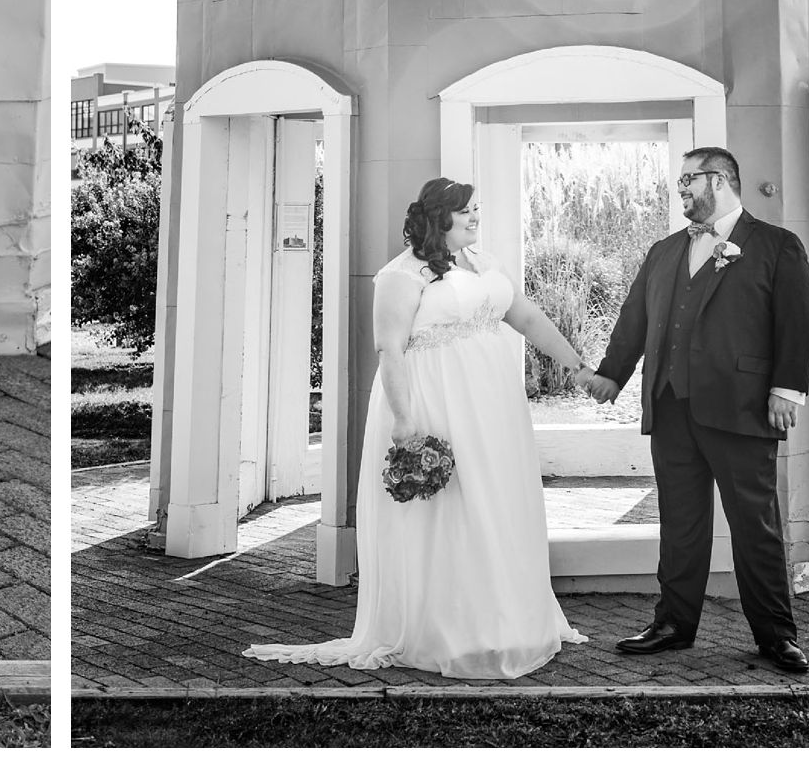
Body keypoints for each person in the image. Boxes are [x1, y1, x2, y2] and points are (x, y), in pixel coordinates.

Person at [246, 178, 590, 678]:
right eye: (466, 211)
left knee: (496, 502)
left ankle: (506, 620)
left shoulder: (484, 263)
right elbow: (389, 348)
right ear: (438, 218)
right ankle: (448, 629)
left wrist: (578, 366)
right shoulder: (400, 275)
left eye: (478, 209)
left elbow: (528, 318)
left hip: (492, 407)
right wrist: (405, 420)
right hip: (435, 403)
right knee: (450, 512)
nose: (476, 218)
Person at [584, 146, 809, 673]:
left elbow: (798, 323)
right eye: (680, 181)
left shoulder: (776, 246)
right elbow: (633, 320)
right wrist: (610, 374)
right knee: (681, 522)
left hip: (741, 407)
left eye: (688, 179)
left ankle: (776, 634)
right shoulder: (664, 250)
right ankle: (673, 624)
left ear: (721, 179)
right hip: (670, 408)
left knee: (755, 524)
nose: (680, 189)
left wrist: (787, 389)